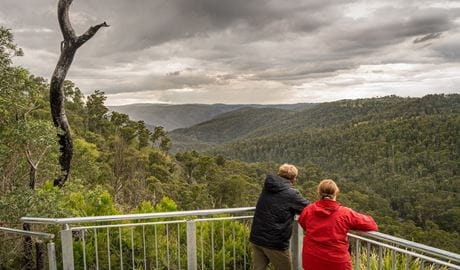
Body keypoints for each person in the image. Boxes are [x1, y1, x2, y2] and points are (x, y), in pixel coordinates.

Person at [298, 179, 378, 270]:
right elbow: (372, 225)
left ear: (319, 193)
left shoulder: (308, 210)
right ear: (336, 193)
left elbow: (303, 223)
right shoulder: (345, 213)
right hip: (336, 262)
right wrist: (349, 225)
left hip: (312, 258)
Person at [250, 164, 309, 270]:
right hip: (274, 242)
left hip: (256, 237)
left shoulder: (268, 186)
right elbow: (309, 209)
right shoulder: (292, 194)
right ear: (293, 178)